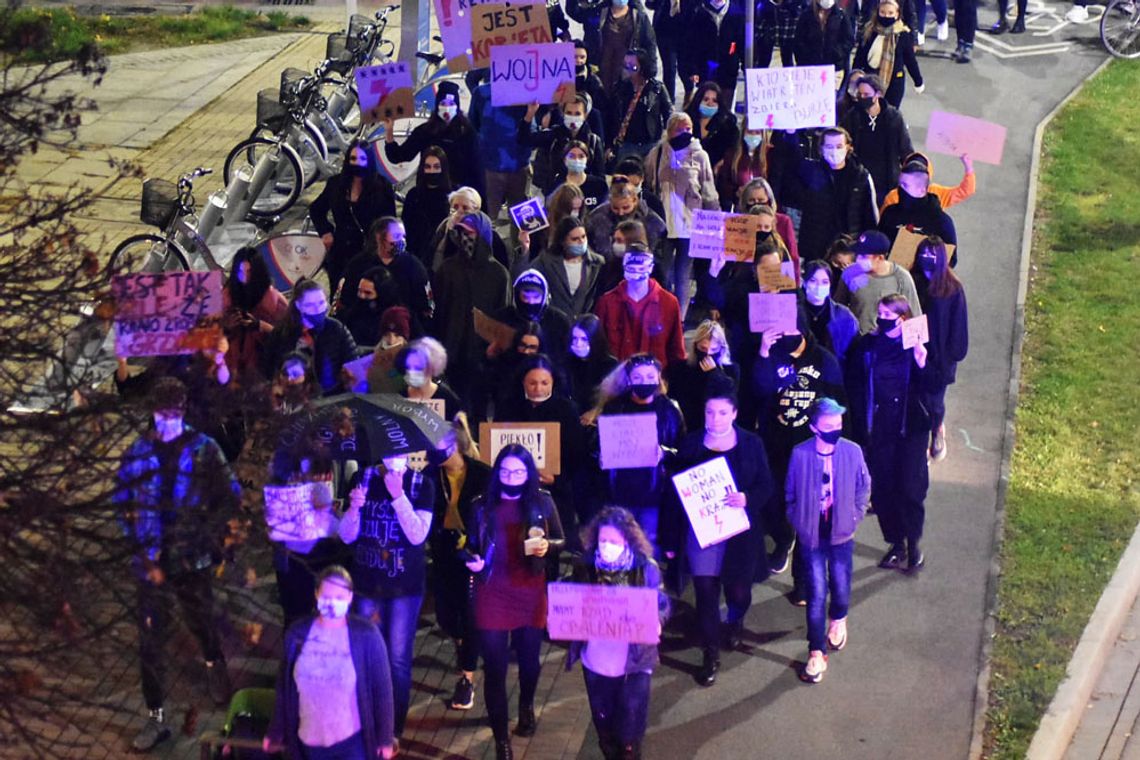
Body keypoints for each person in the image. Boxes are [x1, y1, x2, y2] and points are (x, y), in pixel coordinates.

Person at [114, 377, 240, 752]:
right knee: (150, 639)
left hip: (191, 557)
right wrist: (134, 537)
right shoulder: (139, 451)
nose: (166, 420)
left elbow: (229, 495)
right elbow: (121, 498)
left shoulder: (203, 450)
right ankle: (156, 716)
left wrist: (210, 531)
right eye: (160, 413)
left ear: (182, 412)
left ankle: (214, 663)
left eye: (172, 413)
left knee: (200, 619)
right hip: (151, 560)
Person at [463, 445, 565, 760]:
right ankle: (500, 739)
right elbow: (469, 545)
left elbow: (562, 539)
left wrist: (548, 545)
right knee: (494, 668)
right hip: (492, 592)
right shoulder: (480, 506)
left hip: (530, 592)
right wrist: (473, 560)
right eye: (505, 471)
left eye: (519, 472)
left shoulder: (542, 501)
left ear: (528, 473)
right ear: (497, 473)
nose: (512, 477)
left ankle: (526, 705)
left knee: (530, 661)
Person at [670, 388, 772, 687]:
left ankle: (736, 620)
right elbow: (676, 488)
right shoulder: (690, 443)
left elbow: (766, 484)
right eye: (710, 412)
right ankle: (710, 653)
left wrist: (747, 498)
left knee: (738, 590)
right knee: (705, 593)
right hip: (702, 535)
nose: (715, 419)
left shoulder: (752, 444)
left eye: (722, 412)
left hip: (738, 533)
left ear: (735, 414)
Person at [339, 453, 435, 741]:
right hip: (368, 584)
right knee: (367, 654)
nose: (395, 458)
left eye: (401, 453)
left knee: (397, 659)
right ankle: (367, 719)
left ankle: (393, 728)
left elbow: (417, 535)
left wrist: (398, 495)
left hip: (404, 588)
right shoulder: (363, 478)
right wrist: (353, 510)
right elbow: (346, 536)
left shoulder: (422, 484)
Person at [751, 317, 846, 599]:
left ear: (803, 330)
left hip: (812, 451)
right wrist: (765, 353)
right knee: (776, 503)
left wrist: (841, 449)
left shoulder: (824, 360)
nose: (786, 334)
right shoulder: (773, 354)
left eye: (792, 328)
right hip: (776, 446)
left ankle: (804, 585)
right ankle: (783, 541)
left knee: (810, 518)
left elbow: (841, 405)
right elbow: (758, 390)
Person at [566, 507, 670, 760]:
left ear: (628, 541)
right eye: (603, 541)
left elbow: (662, 602)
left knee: (630, 729)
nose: (607, 546)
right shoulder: (586, 567)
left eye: (613, 541)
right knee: (604, 725)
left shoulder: (646, 569)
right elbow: (572, 600)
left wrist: (657, 620)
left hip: (635, 661)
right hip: (597, 661)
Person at [265, 566, 397, 760]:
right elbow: (284, 688)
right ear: (316, 594)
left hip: (352, 743)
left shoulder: (366, 636)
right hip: (309, 742)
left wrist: (384, 739)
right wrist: (276, 731)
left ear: (350, 597)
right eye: (326, 596)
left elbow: (382, 690)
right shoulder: (297, 635)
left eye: (339, 597)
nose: (332, 603)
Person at [785, 397, 871, 684]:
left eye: (838, 424)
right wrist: (799, 520)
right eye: (829, 425)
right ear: (813, 428)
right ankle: (816, 650)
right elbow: (790, 494)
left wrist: (854, 516)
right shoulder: (800, 455)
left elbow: (863, 486)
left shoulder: (852, 451)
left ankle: (839, 618)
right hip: (812, 535)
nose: (835, 429)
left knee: (841, 583)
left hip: (842, 533)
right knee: (816, 592)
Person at [846, 294, 931, 573]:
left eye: (888, 314)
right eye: (879, 312)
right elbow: (855, 383)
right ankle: (896, 542)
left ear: (903, 319)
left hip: (910, 430)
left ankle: (914, 543)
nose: (881, 318)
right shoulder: (867, 345)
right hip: (879, 427)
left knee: (909, 487)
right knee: (883, 489)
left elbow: (931, 387)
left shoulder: (915, 347)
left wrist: (921, 363)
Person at [426, 421, 491, 712]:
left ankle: (466, 678)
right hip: (442, 552)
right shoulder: (429, 476)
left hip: (473, 553)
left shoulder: (481, 475)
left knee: (471, 613)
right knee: (446, 615)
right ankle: (464, 643)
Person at [593, 353, 686, 549]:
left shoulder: (669, 410)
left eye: (650, 377)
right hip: (618, 491)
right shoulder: (614, 407)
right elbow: (596, 446)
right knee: (619, 542)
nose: (645, 382)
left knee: (647, 545)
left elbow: (682, 450)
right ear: (628, 379)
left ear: (659, 378)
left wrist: (664, 453)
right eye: (638, 377)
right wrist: (600, 457)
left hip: (653, 492)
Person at [497, 355, 586, 546]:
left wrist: (557, 478)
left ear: (553, 382)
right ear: (523, 382)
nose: (538, 389)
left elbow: (577, 455)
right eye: (533, 383)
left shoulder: (566, 409)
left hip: (555, 493)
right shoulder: (508, 407)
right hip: (513, 491)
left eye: (544, 383)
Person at [643, 112, 720, 320]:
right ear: (670, 131)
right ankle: (663, 313)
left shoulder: (700, 156)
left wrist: (715, 223)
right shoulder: (657, 153)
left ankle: (680, 318)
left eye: (688, 129)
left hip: (689, 225)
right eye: (680, 129)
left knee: (683, 275)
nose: (685, 133)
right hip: (664, 223)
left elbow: (709, 191)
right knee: (664, 272)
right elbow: (648, 185)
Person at [431, 211, 512, 400]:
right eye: (462, 232)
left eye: (471, 233)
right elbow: (439, 312)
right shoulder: (448, 269)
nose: (465, 238)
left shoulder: (498, 274)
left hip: (483, 357)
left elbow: (503, 316)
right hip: (451, 354)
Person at [310, 140, 398, 289]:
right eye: (353, 159)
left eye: (362, 159)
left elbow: (390, 222)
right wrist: (325, 231)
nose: (357, 163)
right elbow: (316, 209)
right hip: (341, 252)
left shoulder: (382, 187)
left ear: (369, 161)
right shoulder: (336, 184)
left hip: (370, 253)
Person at [910, 236, 968, 461]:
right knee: (916, 400)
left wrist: (948, 359)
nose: (927, 261)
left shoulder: (952, 289)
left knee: (934, 402)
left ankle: (937, 430)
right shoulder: (913, 282)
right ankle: (920, 443)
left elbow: (958, 329)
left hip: (940, 360)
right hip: (915, 352)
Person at [788, 127, 878, 263]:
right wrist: (790, 135)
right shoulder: (811, 173)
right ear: (821, 148)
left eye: (839, 146)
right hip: (816, 249)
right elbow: (791, 161)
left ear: (848, 147)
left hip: (849, 249)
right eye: (829, 146)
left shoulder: (860, 176)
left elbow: (870, 216)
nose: (834, 151)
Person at [383, 80, 483, 194]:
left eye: (451, 104)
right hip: (427, 191)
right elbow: (399, 156)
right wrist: (389, 130)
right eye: (443, 104)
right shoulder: (425, 131)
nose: (447, 108)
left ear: (457, 106)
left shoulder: (467, 133)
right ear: (437, 105)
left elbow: (477, 170)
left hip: (457, 196)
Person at [263, 278, 359, 395]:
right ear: (298, 305)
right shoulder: (282, 333)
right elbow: (269, 369)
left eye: (321, 303)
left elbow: (354, 366)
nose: (318, 310)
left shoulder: (337, 329)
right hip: (292, 397)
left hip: (330, 397)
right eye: (310, 305)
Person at [340, 217, 434, 334]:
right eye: (396, 236)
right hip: (363, 331)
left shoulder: (414, 266)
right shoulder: (358, 265)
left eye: (403, 236)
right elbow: (344, 301)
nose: (401, 241)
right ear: (379, 237)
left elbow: (426, 307)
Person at [594, 247, 687, 366]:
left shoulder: (669, 303)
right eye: (631, 269)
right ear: (624, 268)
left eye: (642, 269)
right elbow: (597, 348)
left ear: (651, 268)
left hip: (655, 380)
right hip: (617, 378)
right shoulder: (606, 303)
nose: (636, 275)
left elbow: (676, 350)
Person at [840, 73, 915, 207]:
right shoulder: (852, 116)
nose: (862, 98)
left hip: (886, 181)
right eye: (860, 94)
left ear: (878, 94)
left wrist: (913, 172)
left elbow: (905, 148)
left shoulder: (893, 117)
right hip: (860, 179)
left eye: (866, 95)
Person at [833, 230, 922, 333]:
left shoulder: (902, 278)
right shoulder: (850, 273)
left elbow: (915, 317)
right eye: (858, 255)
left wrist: (916, 345)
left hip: (888, 345)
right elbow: (837, 309)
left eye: (864, 256)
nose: (858, 260)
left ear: (880, 258)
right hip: (856, 341)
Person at [222, 245, 288, 382]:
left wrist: (259, 325)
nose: (245, 277)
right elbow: (209, 333)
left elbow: (286, 338)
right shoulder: (226, 297)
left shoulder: (274, 301)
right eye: (241, 271)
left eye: (249, 271)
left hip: (263, 370)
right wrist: (227, 327)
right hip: (229, 368)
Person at [469, 80, 532, 221]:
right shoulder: (481, 93)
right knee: (486, 216)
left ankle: (520, 243)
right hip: (490, 165)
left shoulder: (528, 91)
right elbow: (473, 124)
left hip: (519, 164)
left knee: (522, 218)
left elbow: (531, 131)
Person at [519, 94, 606, 196]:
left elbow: (600, 178)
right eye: (569, 113)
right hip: (553, 193)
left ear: (585, 115)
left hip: (584, 196)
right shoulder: (553, 135)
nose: (573, 117)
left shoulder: (593, 141)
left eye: (577, 113)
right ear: (563, 113)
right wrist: (530, 114)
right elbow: (524, 139)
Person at [524, 215, 607, 316]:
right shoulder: (545, 262)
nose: (581, 242)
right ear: (562, 241)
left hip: (582, 325)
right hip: (553, 322)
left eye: (583, 236)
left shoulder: (597, 263)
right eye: (575, 239)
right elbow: (524, 280)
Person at [666, 319, 740, 431]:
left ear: (721, 349)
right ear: (695, 346)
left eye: (714, 349)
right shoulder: (681, 368)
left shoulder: (730, 370)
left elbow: (730, 397)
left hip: (718, 425)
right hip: (688, 425)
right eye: (703, 348)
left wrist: (715, 374)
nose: (708, 353)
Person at [878, 158, 958, 261]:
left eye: (905, 185)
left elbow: (951, 259)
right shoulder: (890, 213)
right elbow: (878, 245)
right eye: (900, 184)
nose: (900, 189)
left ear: (921, 190)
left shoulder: (941, 222)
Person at [607, 48, 673, 165]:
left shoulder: (656, 89)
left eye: (633, 66)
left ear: (642, 67)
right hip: (627, 144)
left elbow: (669, 114)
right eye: (625, 65)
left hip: (651, 143)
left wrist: (666, 138)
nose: (628, 70)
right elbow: (611, 118)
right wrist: (609, 145)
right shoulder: (620, 88)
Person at [852, 2, 923, 109]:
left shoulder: (903, 35)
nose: (886, 16)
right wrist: (855, 75)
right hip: (870, 80)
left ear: (897, 14)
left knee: (890, 114)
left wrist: (918, 81)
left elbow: (910, 60)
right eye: (883, 12)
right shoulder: (869, 31)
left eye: (890, 13)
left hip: (894, 83)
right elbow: (860, 56)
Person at [585, 177, 668, 261]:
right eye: (615, 208)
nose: (621, 212)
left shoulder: (653, 222)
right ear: (610, 201)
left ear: (635, 200)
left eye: (625, 207)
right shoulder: (596, 218)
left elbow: (658, 254)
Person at [680, 0, 746, 100]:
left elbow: (741, 42)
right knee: (706, 103)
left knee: (725, 105)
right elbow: (691, 44)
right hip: (705, 68)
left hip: (728, 69)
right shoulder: (699, 12)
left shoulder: (736, 12)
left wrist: (746, 67)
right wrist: (692, 69)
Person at [402, 146, 453, 267]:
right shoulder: (413, 195)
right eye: (427, 167)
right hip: (417, 255)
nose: (431, 171)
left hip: (443, 257)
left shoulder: (452, 196)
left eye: (436, 167)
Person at [880, 151, 976, 214]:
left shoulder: (893, 197)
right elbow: (966, 191)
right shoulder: (937, 193)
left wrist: (969, 168)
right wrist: (969, 169)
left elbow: (882, 223)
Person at [802, 260, 860, 365]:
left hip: (830, 374)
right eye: (813, 281)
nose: (818, 286)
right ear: (804, 283)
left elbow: (854, 354)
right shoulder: (792, 312)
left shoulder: (844, 316)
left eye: (825, 282)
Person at [397, 336, 465, 421]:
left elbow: (459, 431)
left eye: (418, 367)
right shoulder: (399, 397)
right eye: (408, 367)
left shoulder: (448, 399)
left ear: (432, 367)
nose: (412, 372)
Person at [597, 1, 657, 96]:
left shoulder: (639, 16)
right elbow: (575, 12)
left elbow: (650, 43)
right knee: (603, 99)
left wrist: (651, 69)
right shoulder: (599, 12)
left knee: (625, 98)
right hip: (604, 65)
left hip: (629, 65)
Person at [566, 313, 619, 413]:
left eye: (584, 339)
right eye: (575, 339)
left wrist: (595, 411)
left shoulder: (609, 365)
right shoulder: (566, 362)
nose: (578, 344)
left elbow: (614, 399)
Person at [684, 82, 740, 175]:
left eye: (714, 100)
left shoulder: (728, 125)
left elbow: (733, 150)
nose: (710, 103)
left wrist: (722, 164)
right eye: (706, 99)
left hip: (717, 176)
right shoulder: (686, 122)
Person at [649, 0, 697, 103]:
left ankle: (689, 98)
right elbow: (650, 4)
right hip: (664, 32)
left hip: (686, 32)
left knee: (684, 69)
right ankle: (669, 103)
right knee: (669, 68)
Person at [793, 0, 856, 78]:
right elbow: (798, 41)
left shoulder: (841, 16)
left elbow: (849, 40)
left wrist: (837, 53)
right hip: (810, 68)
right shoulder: (806, 15)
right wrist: (806, 57)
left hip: (834, 67)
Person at [716, 129, 768, 213]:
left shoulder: (770, 155)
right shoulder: (732, 154)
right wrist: (736, 191)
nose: (753, 135)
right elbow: (723, 183)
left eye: (757, 132)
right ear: (743, 132)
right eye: (750, 132)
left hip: (763, 209)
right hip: (739, 207)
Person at [554, 139, 611, 212]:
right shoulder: (557, 184)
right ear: (565, 159)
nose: (576, 160)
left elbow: (605, 211)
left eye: (581, 156)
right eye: (571, 156)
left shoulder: (599, 185)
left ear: (587, 159)